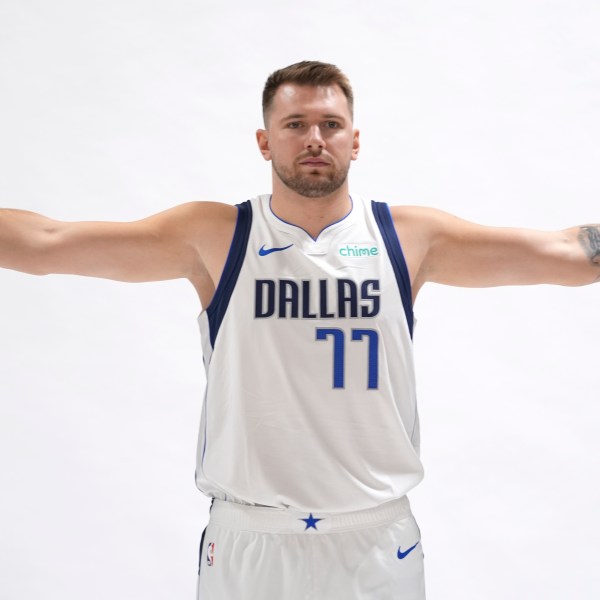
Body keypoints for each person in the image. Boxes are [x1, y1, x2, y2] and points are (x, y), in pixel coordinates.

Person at [0, 60, 598, 600]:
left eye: (331, 125)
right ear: (265, 141)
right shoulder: (217, 236)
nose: (315, 138)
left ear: (355, 141)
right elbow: (48, 243)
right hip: (250, 537)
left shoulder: (407, 239)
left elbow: (563, 253)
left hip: (373, 537)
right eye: (295, 124)